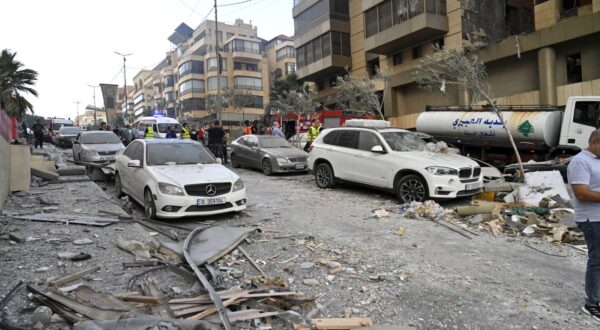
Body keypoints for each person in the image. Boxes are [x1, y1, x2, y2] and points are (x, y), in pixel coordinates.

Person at [568, 129, 600, 322]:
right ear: (595, 142)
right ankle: (591, 303)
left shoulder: (597, 161)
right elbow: (582, 193)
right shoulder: (580, 161)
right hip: (591, 219)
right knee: (597, 259)